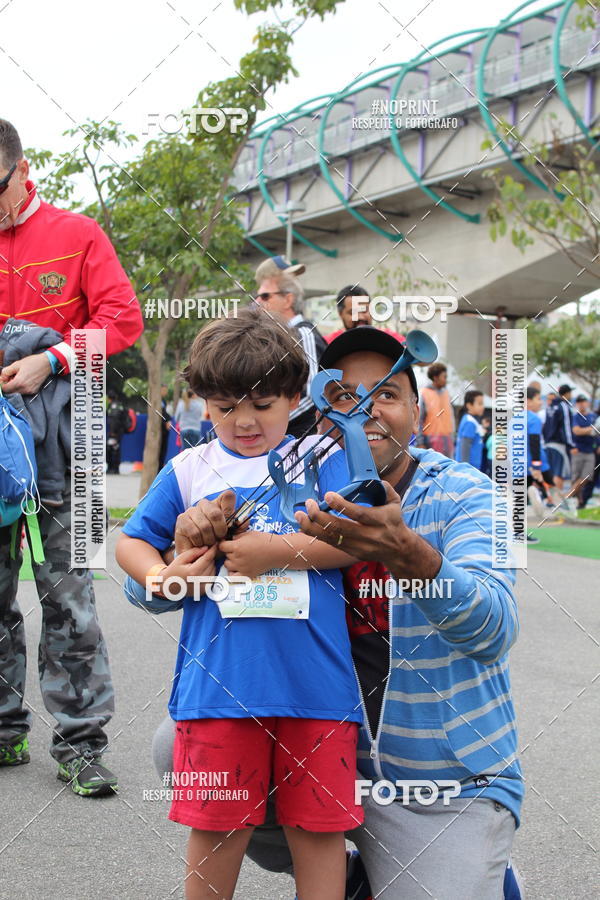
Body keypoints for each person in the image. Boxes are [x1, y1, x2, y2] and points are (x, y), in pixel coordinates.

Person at [165, 327, 522, 899]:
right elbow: (145, 589)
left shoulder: (467, 493)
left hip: (438, 785)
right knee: (179, 744)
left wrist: (410, 554)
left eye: (387, 394)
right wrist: (182, 549)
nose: (365, 410)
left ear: (417, 410)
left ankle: (445, 871)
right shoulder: (285, 476)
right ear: (317, 409)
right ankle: (355, 873)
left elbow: (495, 629)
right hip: (325, 745)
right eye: (343, 395)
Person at [116, 308, 363, 900]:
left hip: (318, 692)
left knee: (319, 831)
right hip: (218, 692)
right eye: (225, 407)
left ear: (296, 397)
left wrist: (275, 551)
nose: (244, 421)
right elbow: (129, 542)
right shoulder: (191, 468)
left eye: (263, 404)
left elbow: (356, 540)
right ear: (203, 403)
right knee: (217, 828)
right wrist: (165, 576)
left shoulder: (324, 457)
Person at [0, 119, 143, 794]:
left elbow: (123, 321)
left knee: (70, 600)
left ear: (22, 169)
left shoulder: (78, 234)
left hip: (70, 450)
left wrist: (51, 359)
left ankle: (81, 743)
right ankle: (4, 730)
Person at [254, 269, 326, 438]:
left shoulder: (303, 334)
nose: (257, 301)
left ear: (287, 300)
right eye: (257, 296)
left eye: (265, 296)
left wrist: (269, 422)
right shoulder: (281, 337)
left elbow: (314, 394)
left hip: (304, 441)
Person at [325, 284, 405, 344]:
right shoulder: (327, 344)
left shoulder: (391, 339)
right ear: (340, 314)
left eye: (364, 310)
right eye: (353, 312)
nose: (361, 317)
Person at [526, 386, 558, 517]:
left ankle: (538, 496)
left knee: (521, 496)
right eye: (538, 399)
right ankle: (554, 506)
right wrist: (536, 465)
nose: (541, 402)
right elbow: (534, 442)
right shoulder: (534, 419)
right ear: (528, 401)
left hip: (520, 464)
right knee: (551, 487)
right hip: (537, 462)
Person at [417, 361, 454, 457]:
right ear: (435, 378)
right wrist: (420, 442)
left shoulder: (447, 394)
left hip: (447, 441)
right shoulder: (424, 393)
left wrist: (452, 438)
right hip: (430, 442)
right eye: (444, 377)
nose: (446, 380)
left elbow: (451, 418)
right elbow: (418, 420)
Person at [542, 384, 574, 494]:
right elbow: (566, 427)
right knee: (559, 473)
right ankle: (557, 500)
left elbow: (545, 426)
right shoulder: (563, 406)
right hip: (559, 444)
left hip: (548, 443)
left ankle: (550, 498)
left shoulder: (550, 406)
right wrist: (571, 444)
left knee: (550, 473)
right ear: (567, 393)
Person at [570, 395, 597, 509]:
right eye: (579, 402)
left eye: (583, 401)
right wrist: (591, 430)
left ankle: (567, 497)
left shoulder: (593, 416)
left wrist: (586, 431)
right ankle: (578, 502)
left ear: (587, 403)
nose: (581, 404)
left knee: (587, 477)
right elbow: (576, 431)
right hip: (578, 450)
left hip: (590, 451)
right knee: (576, 478)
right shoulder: (575, 417)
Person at [454, 389, 485, 468]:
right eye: (480, 404)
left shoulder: (472, 420)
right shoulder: (469, 422)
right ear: (469, 405)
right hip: (468, 468)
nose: (482, 407)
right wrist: (465, 468)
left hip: (473, 467)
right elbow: (465, 446)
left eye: (482, 404)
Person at [106, 389, 130, 474]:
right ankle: (114, 468)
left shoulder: (114, 406)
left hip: (115, 432)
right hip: (118, 431)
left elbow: (115, 419)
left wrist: (113, 432)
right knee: (115, 448)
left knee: (112, 449)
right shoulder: (119, 405)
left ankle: (113, 468)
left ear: (109, 398)